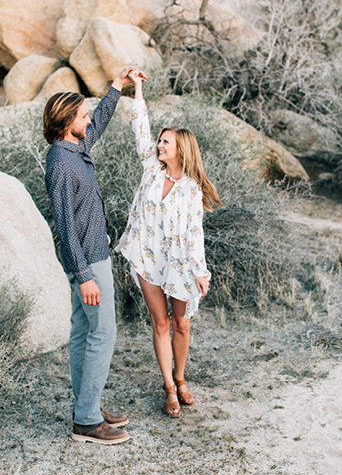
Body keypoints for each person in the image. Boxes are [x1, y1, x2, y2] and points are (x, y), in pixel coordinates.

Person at [43, 66, 146, 445]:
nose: (89, 120)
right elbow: (66, 228)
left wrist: (116, 87)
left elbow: (99, 122)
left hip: (91, 258)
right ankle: (86, 421)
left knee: (83, 333)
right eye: (82, 115)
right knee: (102, 333)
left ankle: (88, 405)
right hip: (89, 262)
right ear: (67, 122)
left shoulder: (74, 146)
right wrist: (84, 275)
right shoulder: (60, 164)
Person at [116, 70, 222, 418]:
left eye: (165, 143)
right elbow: (139, 126)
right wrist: (138, 88)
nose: (159, 146)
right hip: (147, 256)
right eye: (159, 141)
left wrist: (201, 272)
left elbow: (195, 234)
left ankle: (181, 376)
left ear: (180, 150)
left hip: (178, 263)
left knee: (182, 324)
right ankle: (169, 388)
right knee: (159, 323)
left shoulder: (192, 189)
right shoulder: (151, 169)